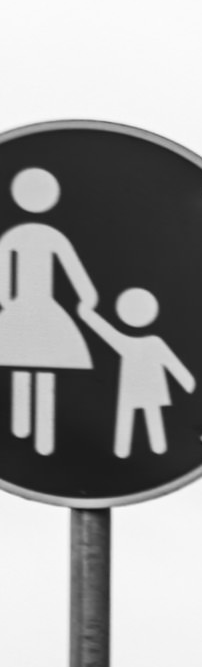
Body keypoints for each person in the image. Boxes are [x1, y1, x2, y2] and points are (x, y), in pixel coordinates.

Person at [0, 166, 95, 457]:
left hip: (28, 309)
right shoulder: (41, 236)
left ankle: (33, 434)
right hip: (34, 309)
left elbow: (4, 277)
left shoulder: (20, 236)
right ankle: (28, 434)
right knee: (34, 367)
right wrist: (87, 298)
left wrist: (7, 302)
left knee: (34, 367)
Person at [96, 282, 200, 462]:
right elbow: (107, 333)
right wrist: (186, 381)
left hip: (142, 387)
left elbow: (171, 362)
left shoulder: (143, 343)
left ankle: (137, 450)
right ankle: (127, 451)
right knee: (137, 416)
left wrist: (186, 380)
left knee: (141, 417)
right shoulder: (148, 342)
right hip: (140, 388)